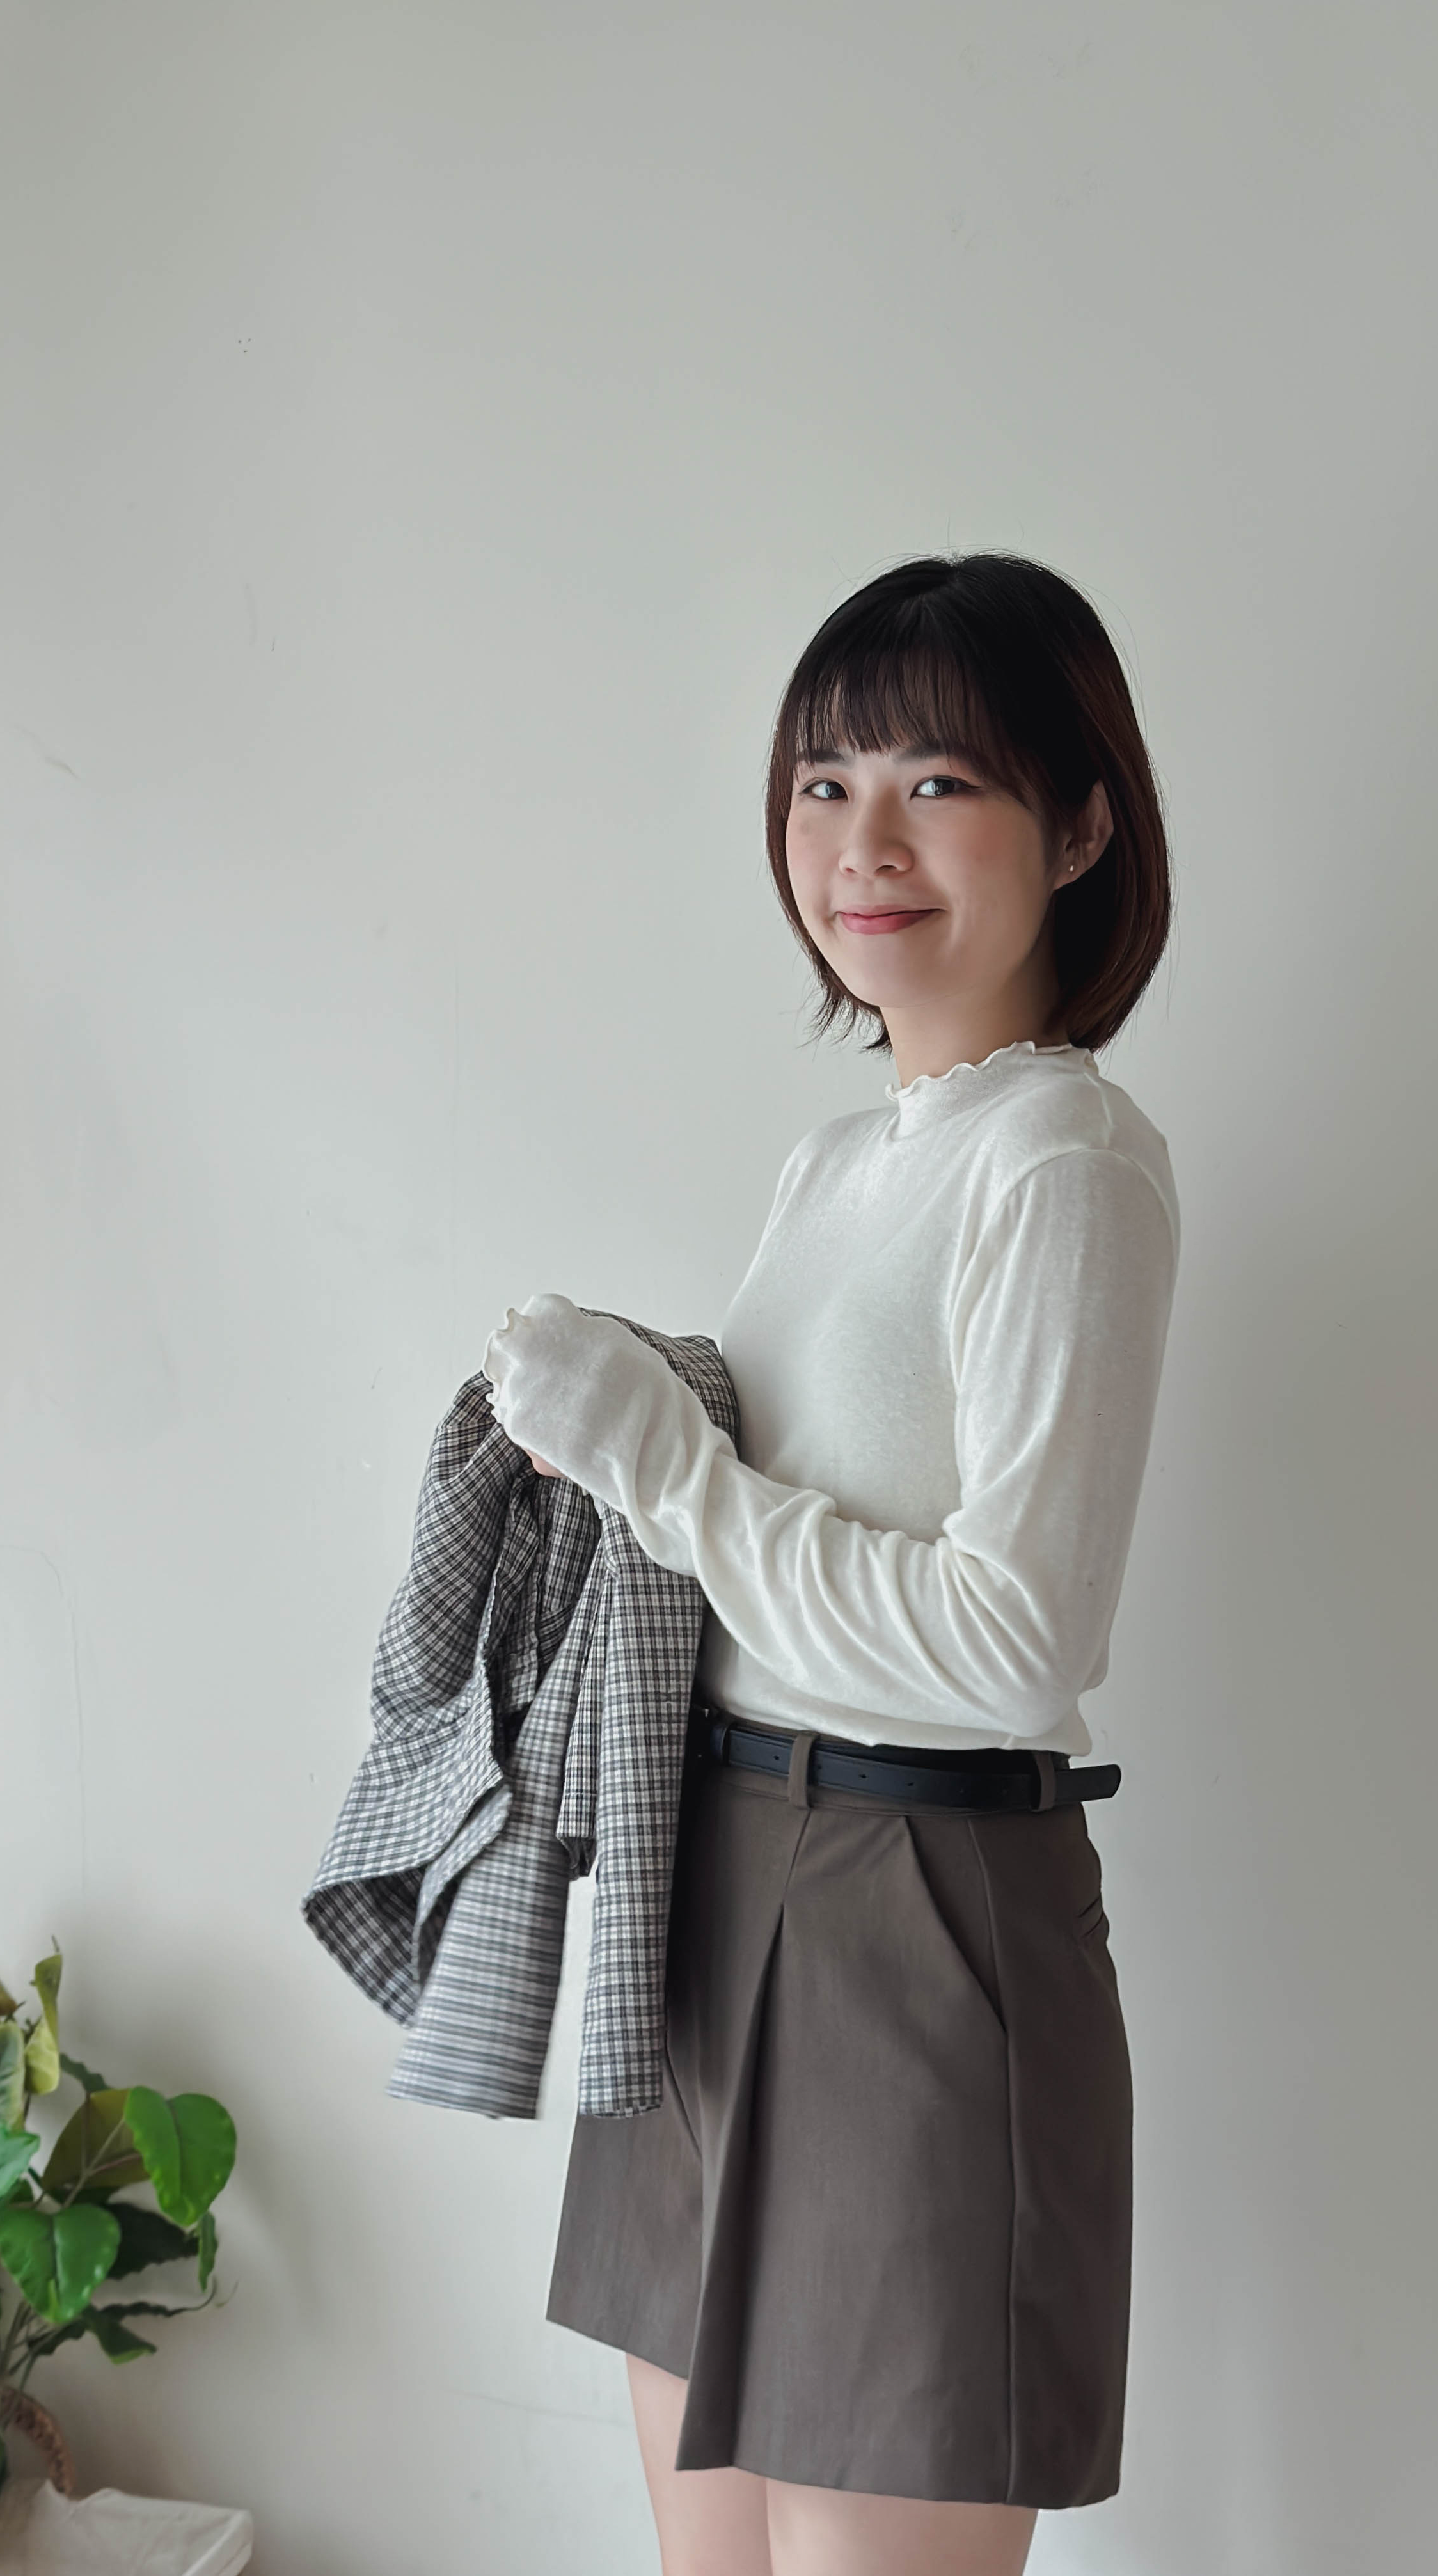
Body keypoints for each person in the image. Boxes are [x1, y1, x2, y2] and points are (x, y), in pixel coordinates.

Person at [482, 551, 1180, 2576]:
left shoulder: (1066, 1161)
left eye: (938, 782)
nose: (863, 843)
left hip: (919, 1909)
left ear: (1081, 827)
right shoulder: (838, 1162)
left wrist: (660, 1461)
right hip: (715, 1888)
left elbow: (1015, 1636)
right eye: (823, 783)